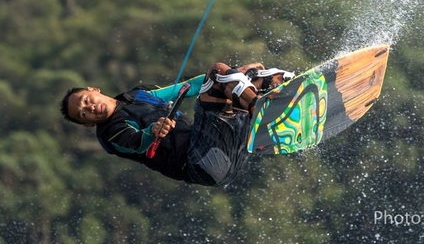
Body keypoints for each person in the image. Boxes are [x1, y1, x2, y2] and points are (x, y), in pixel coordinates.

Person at [59, 62, 294, 187]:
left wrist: (237, 74)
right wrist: (152, 132)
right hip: (201, 162)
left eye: (86, 101)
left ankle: (291, 97)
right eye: (83, 114)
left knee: (254, 72)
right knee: (221, 72)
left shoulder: (136, 94)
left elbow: (189, 87)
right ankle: (263, 110)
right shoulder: (111, 133)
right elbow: (136, 142)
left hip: (221, 151)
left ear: (93, 90)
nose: (89, 108)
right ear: (88, 125)